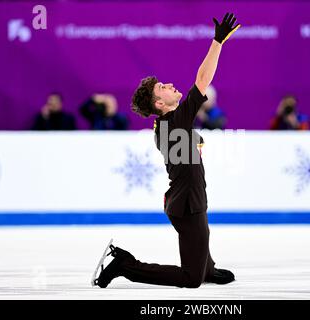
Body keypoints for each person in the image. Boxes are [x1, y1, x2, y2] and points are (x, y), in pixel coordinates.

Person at [93, 13, 240, 289]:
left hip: (188, 198)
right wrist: (218, 42)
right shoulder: (176, 120)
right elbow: (202, 78)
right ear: (160, 103)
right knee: (190, 279)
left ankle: (207, 268)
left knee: (201, 240)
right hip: (187, 204)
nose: (171, 85)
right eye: (163, 87)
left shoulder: (165, 124)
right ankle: (126, 265)